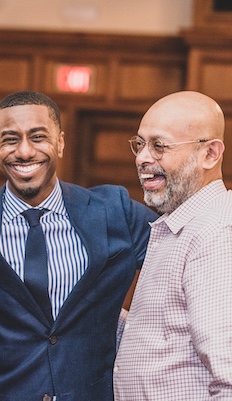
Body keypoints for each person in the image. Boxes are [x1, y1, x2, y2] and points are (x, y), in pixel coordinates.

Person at [0, 91, 158, 400]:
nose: (24, 151)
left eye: (38, 137)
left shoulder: (115, 212)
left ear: (60, 142)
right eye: (10, 139)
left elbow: (181, 250)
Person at [114, 91, 232, 400]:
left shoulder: (218, 233)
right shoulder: (180, 225)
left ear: (210, 154)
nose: (142, 158)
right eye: (140, 144)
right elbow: (167, 339)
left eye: (159, 146)